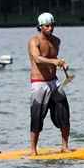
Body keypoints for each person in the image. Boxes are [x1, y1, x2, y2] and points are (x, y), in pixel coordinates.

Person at [27, 12, 70, 156]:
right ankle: (33, 150)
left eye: (52, 25)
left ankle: (65, 146)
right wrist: (53, 61)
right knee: (37, 117)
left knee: (64, 112)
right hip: (39, 83)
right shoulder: (34, 41)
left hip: (54, 82)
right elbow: (38, 59)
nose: (51, 28)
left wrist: (62, 63)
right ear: (40, 27)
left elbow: (53, 58)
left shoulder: (57, 41)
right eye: (47, 26)